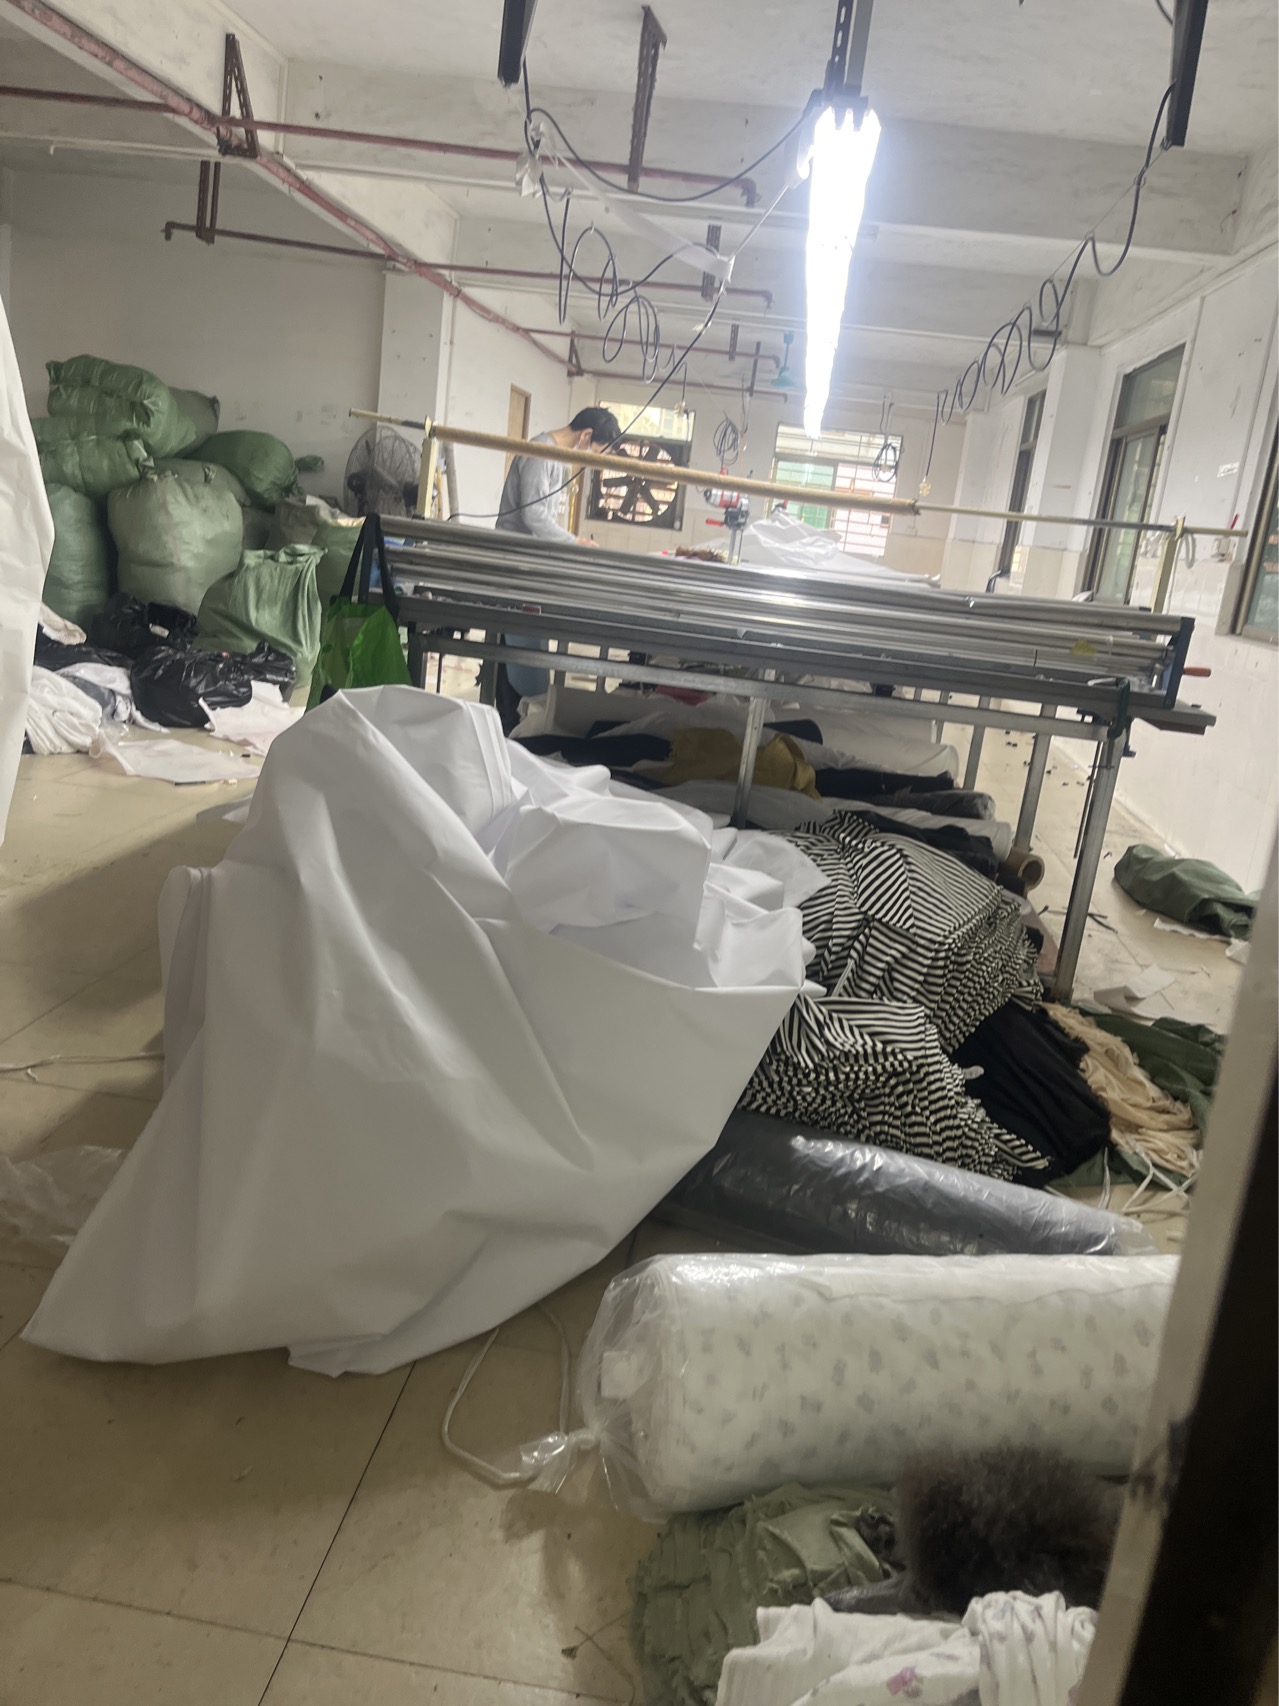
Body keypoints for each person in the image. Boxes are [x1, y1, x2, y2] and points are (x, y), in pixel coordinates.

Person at [492, 407, 622, 732]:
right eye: (598, 452)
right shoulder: (541, 452)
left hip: (532, 564)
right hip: (515, 564)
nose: (593, 460)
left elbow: (546, 517)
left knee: (527, 643)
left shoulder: (558, 458)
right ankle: (510, 722)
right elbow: (534, 516)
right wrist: (574, 542)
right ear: (586, 436)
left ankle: (522, 719)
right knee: (515, 644)